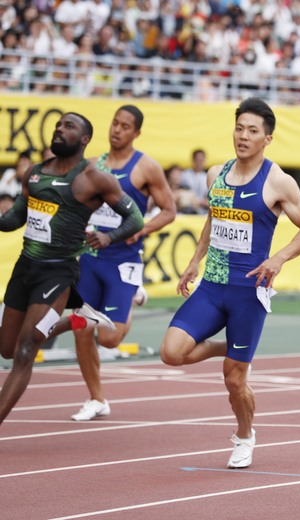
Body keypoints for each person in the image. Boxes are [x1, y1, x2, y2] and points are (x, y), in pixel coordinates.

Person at [159, 98, 300, 469]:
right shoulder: (217, 173)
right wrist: (194, 262)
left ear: (268, 138)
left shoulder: (278, 181)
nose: (243, 136)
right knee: (171, 352)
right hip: (213, 286)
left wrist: (278, 258)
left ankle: (245, 435)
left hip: (248, 292)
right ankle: (224, 347)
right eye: (239, 128)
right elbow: (214, 220)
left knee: (234, 380)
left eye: (252, 131)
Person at [0, 112, 144, 426]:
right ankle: (76, 319)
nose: (59, 130)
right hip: (25, 268)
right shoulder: (35, 174)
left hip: (59, 273)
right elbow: (13, 220)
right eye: (58, 125)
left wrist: (108, 236)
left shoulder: (94, 177)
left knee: (26, 350)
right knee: (7, 348)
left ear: (84, 139)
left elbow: (135, 219)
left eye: (69, 126)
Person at [70, 105, 176, 422]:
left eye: (125, 126)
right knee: (79, 327)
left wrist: (140, 229)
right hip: (90, 256)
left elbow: (169, 210)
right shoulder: (91, 165)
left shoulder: (146, 167)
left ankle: (132, 294)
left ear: (136, 133)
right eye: (115, 123)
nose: (117, 129)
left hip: (124, 259)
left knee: (109, 338)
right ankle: (96, 398)